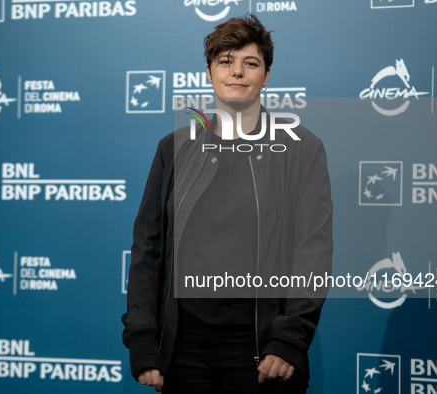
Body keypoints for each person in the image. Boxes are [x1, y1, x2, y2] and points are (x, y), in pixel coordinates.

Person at [122, 14, 333, 393]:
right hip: (183, 349)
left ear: (266, 76)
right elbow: (148, 250)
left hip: (260, 349)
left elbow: (311, 251)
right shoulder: (174, 149)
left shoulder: (302, 149)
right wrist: (142, 335)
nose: (237, 72)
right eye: (225, 62)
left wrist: (289, 340)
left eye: (250, 63)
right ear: (209, 72)